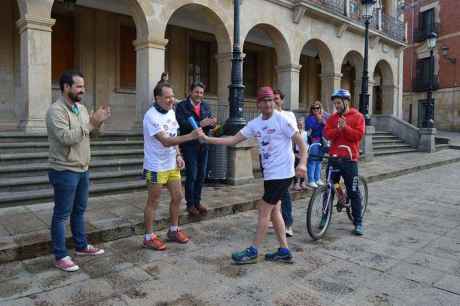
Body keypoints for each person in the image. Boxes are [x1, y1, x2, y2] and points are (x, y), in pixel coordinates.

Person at [199, 86, 307, 264]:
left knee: (264, 209)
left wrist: (302, 163)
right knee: (275, 210)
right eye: (264, 100)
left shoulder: (282, 120)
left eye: (271, 100)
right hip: (270, 174)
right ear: (258, 104)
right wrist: (208, 139)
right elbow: (233, 140)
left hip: (282, 173)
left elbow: (302, 144)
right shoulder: (255, 123)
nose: (268, 103)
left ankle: (253, 250)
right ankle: (284, 250)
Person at [46, 70, 111, 272]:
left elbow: (90, 135)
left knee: (79, 210)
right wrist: (91, 123)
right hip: (64, 169)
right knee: (61, 215)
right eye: (79, 86)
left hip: (83, 168)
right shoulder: (55, 111)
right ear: (66, 87)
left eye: (83, 86)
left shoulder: (81, 108)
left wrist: (98, 123)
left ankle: (81, 246)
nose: (83, 90)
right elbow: (66, 137)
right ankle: (60, 255)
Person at [142, 82, 203, 250]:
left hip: (171, 164)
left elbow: (173, 136)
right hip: (155, 165)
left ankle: (173, 230)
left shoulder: (171, 112)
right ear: (158, 98)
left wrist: (178, 155)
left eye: (172, 96)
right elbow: (166, 140)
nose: (172, 100)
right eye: (167, 97)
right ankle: (148, 237)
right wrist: (191, 136)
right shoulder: (151, 116)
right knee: (153, 201)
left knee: (178, 197)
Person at [324, 89, 365, 236]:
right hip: (334, 158)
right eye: (335, 103)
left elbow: (358, 136)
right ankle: (325, 216)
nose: (336, 106)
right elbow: (327, 134)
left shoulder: (358, 116)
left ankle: (358, 222)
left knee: (353, 191)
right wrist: (338, 129)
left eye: (339, 103)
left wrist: (345, 127)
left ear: (346, 102)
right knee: (330, 187)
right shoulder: (332, 118)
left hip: (350, 159)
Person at [175, 82, 217, 217]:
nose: (199, 95)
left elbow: (209, 125)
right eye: (197, 92)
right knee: (192, 174)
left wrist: (212, 123)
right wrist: (200, 123)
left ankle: (198, 202)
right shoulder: (182, 106)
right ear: (190, 92)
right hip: (189, 144)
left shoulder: (205, 105)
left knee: (201, 174)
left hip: (204, 144)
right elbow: (181, 124)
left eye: (201, 93)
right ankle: (190, 204)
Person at [273, 89, 298, 237]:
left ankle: (288, 223)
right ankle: (275, 217)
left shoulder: (288, 115)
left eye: (277, 98)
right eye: (272, 99)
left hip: (285, 161)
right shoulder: (266, 116)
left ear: (282, 100)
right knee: (271, 192)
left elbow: (294, 133)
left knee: (284, 193)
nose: (274, 101)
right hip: (270, 162)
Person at [305, 101, 329, 188]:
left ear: (320, 108)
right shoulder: (310, 118)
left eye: (317, 108)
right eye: (314, 108)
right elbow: (309, 128)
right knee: (312, 160)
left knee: (319, 161)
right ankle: (311, 180)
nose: (316, 110)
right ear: (311, 109)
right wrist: (318, 121)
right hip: (314, 140)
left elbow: (328, 125)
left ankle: (317, 178)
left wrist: (322, 120)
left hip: (323, 141)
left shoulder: (325, 115)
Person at [293, 118, 308, 191]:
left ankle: (302, 183)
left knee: (303, 168)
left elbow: (308, 143)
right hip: (296, 153)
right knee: (296, 168)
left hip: (303, 154)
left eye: (302, 124)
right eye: (299, 124)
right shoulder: (295, 133)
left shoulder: (306, 133)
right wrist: (294, 153)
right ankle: (296, 183)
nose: (300, 125)